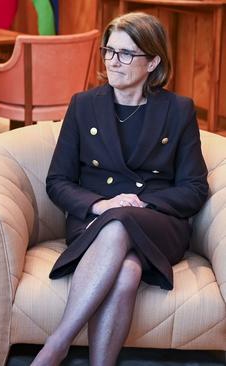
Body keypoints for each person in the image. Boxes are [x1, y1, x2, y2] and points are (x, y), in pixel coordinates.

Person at [34, 12, 208, 366]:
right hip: (94, 221)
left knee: (121, 222)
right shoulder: (84, 105)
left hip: (156, 222)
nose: (114, 62)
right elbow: (57, 181)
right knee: (127, 273)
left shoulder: (178, 110)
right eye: (109, 51)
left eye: (126, 54)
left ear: (153, 61)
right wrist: (100, 204)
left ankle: (56, 345)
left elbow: (194, 188)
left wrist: (140, 204)